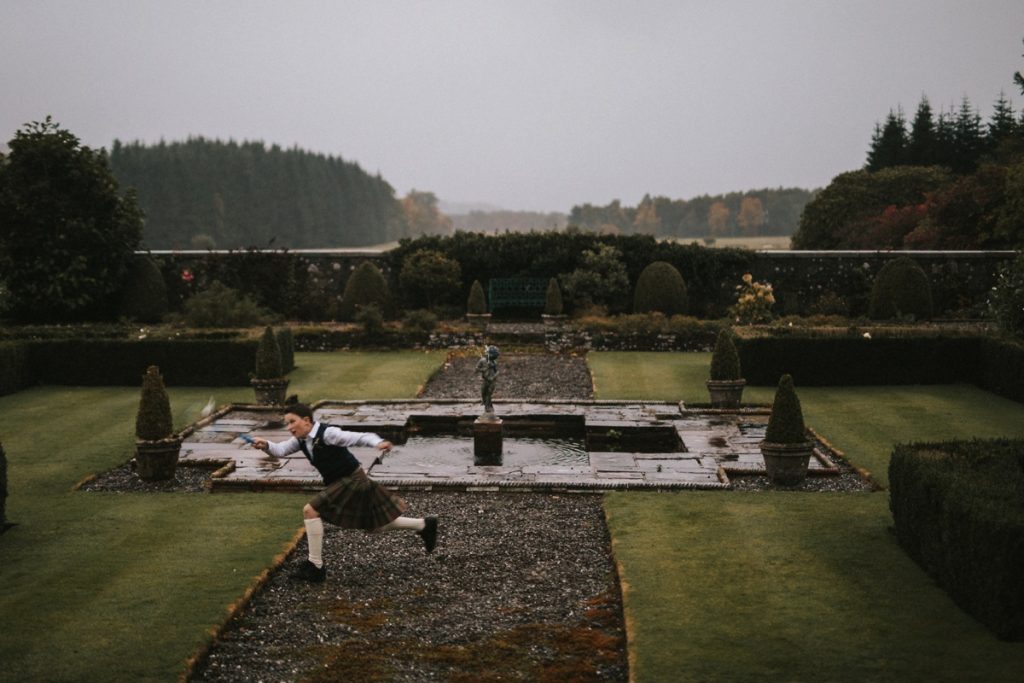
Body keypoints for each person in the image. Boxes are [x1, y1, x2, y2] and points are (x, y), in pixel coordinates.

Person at [251, 403, 438, 583]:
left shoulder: (328, 433)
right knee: (373, 526)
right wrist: (265, 445)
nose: (289, 427)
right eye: (287, 423)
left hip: (353, 480)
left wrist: (378, 442)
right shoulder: (300, 439)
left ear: (306, 420)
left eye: (292, 422)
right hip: (341, 482)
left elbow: (358, 437)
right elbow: (281, 450)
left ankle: (315, 567)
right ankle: (423, 525)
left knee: (310, 510)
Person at [475, 345, 500, 413]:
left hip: (492, 381)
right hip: (485, 380)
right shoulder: (482, 361)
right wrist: (484, 369)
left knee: (489, 394)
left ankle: (487, 407)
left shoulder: (494, 362)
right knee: (483, 393)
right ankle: (488, 404)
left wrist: (493, 377)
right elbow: (476, 370)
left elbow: (497, 371)